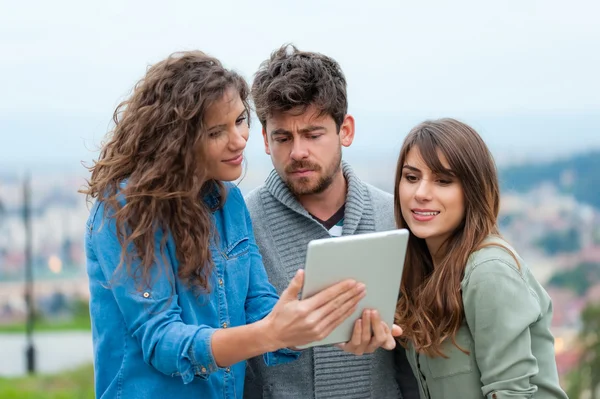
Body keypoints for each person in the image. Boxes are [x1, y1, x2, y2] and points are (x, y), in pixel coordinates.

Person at [81, 50, 396, 399]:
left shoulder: (229, 203)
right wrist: (272, 332)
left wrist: (331, 326)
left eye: (240, 120)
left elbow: (261, 306)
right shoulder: (125, 209)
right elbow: (162, 342)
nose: (239, 139)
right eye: (217, 131)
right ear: (176, 139)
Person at [244, 44, 419, 399]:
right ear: (265, 139)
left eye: (313, 134)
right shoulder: (241, 226)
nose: (298, 152)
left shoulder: (396, 216)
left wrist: (400, 334)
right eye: (283, 137)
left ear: (346, 131)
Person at [393, 118, 568, 399]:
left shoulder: (488, 272)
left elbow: (511, 394)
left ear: (472, 190)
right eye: (411, 178)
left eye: (443, 180)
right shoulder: (423, 271)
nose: (421, 193)